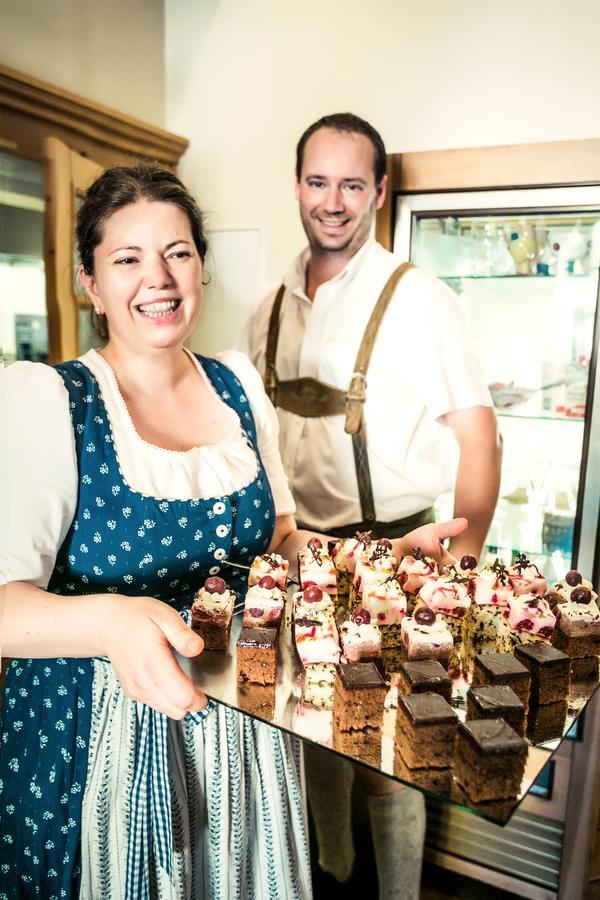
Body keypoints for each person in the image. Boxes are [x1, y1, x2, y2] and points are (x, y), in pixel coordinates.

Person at [0, 163, 466, 899]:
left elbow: (279, 542)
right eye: (127, 258)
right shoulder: (51, 402)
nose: (158, 278)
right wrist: (115, 623)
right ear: (90, 282)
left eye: (177, 252)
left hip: (239, 731)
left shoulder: (236, 384)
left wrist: (368, 561)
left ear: (200, 266)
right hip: (92, 736)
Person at [248, 113, 502, 897]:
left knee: (391, 753)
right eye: (318, 182)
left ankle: (397, 892)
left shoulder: (420, 298)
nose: (333, 201)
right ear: (297, 186)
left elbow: (481, 438)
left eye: (352, 184)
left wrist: (458, 575)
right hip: (297, 559)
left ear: (379, 193)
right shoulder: (266, 311)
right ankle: (333, 872)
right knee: (316, 736)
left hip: (398, 553)